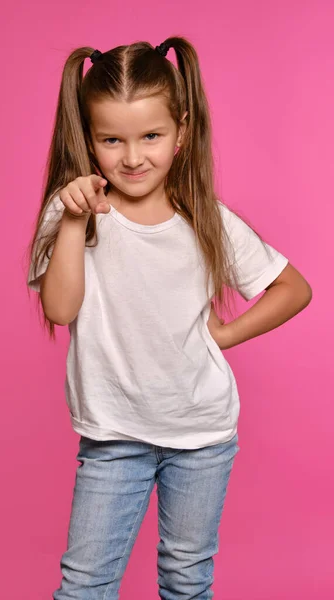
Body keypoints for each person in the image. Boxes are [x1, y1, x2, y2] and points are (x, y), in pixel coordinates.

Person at [26, 36, 312, 600]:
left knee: (186, 578)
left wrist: (227, 334)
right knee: (84, 585)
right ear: (88, 138)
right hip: (114, 435)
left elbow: (293, 289)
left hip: (202, 433)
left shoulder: (205, 218)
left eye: (151, 136)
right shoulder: (71, 213)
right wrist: (73, 221)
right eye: (112, 140)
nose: (133, 158)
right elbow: (60, 309)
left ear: (181, 132)